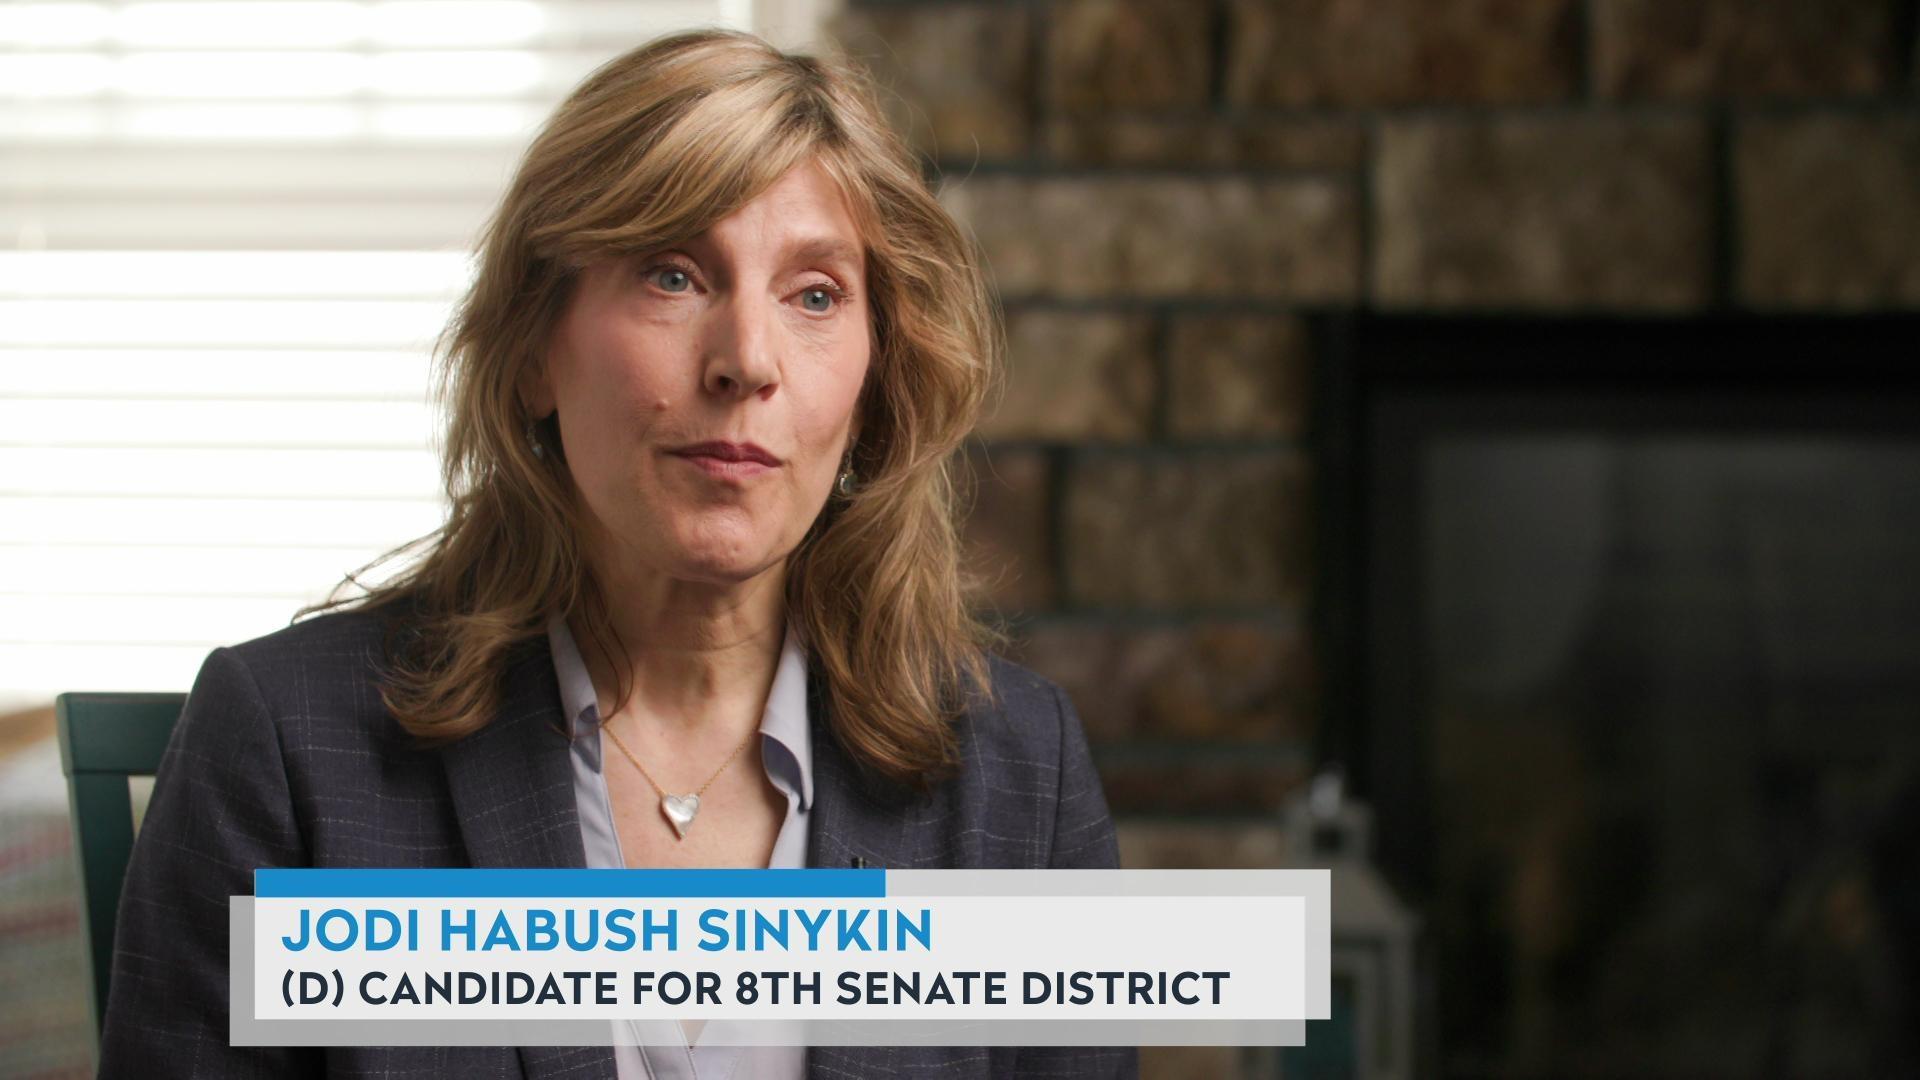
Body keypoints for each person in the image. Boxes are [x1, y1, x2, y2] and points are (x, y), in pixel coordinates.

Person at [95, 25, 1133, 1080]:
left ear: (874, 387)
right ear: (536, 348)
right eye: (673, 276)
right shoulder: (284, 743)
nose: (746, 361)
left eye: (815, 294)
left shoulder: (1020, 772)